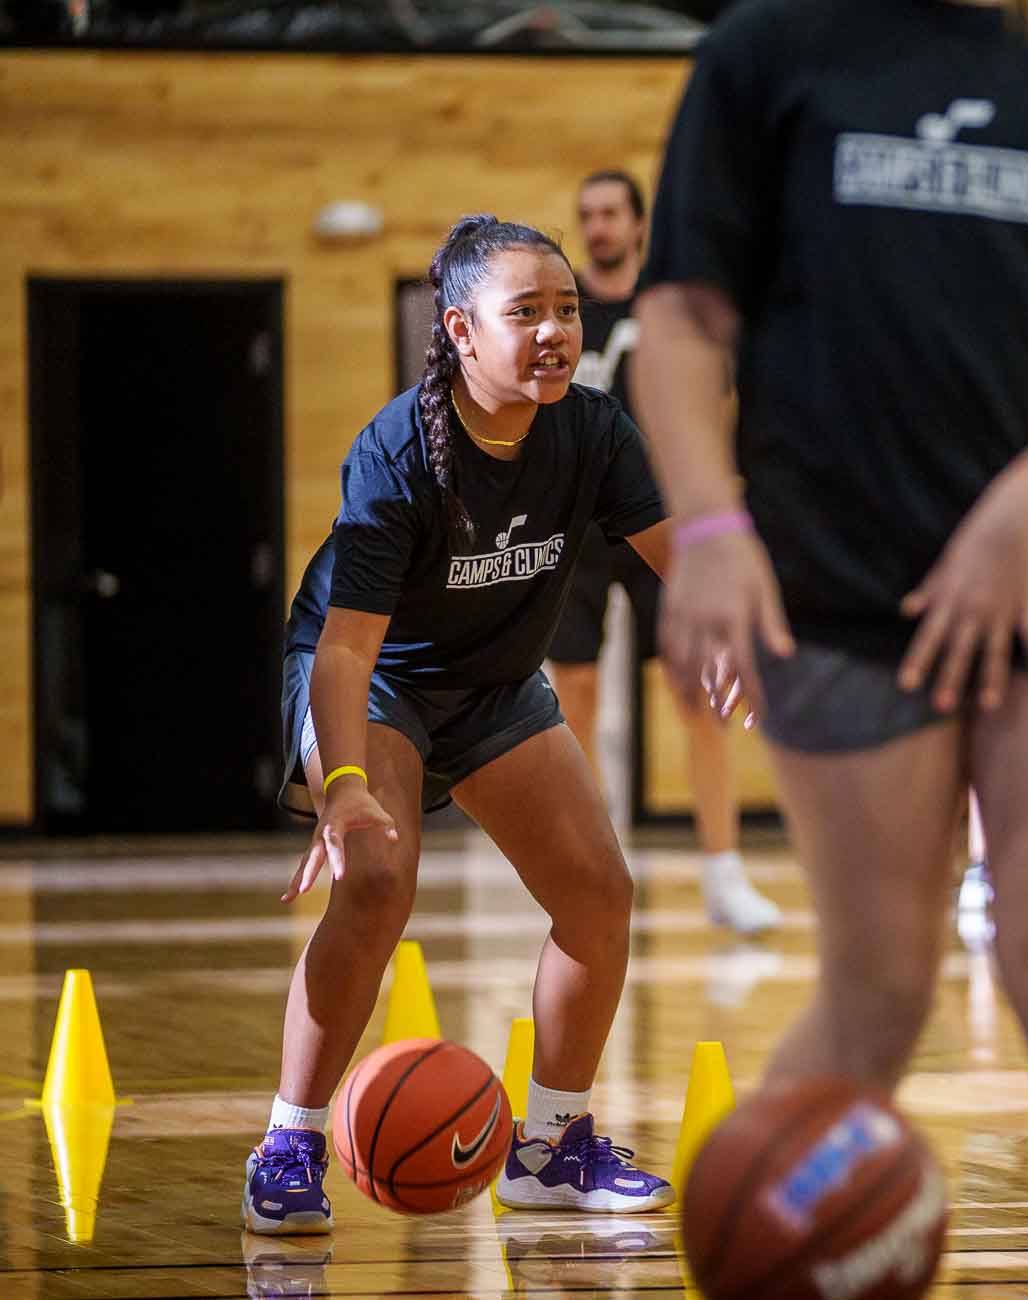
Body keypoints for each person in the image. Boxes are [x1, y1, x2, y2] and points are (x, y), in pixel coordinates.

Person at [631, 0, 1028, 1293]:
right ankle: (764, 1262)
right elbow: (681, 323)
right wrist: (712, 527)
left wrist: (1024, 507)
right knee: (880, 987)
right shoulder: (769, 48)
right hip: (835, 595)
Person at [245, 216, 677, 1235]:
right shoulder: (397, 450)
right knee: (379, 879)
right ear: (462, 329)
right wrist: (342, 788)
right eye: (524, 311)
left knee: (599, 892)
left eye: (566, 310)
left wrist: (738, 634)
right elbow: (347, 650)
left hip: (490, 685)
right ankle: (292, 1140)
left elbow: (684, 560)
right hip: (374, 678)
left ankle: (552, 1148)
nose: (553, 331)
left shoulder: (596, 431)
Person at [546, 168, 779, 936]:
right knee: (572, 693)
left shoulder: (670, 304)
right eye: (589, 213)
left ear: (639, 224)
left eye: (612, 212)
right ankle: (588, 863)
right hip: (574, 525)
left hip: (660, 517)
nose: (600, 225)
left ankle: (723, 872)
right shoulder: (562, 310)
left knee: (698, 690)